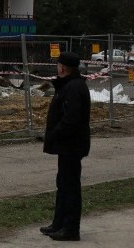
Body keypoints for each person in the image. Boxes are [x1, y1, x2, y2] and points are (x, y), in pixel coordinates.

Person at [40, 51, 91, 242]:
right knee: (62, 184)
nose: (57, 67)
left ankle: (70, 228)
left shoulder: (73, 88)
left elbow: (72, 118)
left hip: (72, 145)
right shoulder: (69, 85)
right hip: (67, 145)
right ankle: (58, 223)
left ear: (62, 67)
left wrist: (55, 133)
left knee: (70, 186)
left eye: (58, 64)